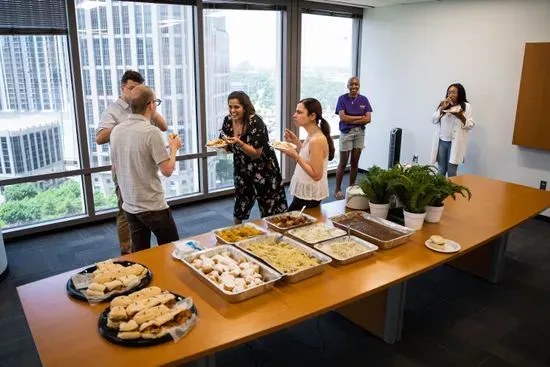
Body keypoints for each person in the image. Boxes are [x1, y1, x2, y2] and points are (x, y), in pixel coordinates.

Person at [95, 70, 168, 255]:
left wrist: (150, 109)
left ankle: (140, 253)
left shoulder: (145, 108)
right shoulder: (113, 111)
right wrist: (126, 127)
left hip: (144, 169)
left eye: (139, 89)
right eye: (132, 88)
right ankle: (127, 252)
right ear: (123, 88)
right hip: (125, 172)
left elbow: (164, 126)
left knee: (141, 220)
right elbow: (99, 137)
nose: (136, 92)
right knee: (125, 213)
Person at [110, 85, 181, 252]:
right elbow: (167, 170)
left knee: (141, 255)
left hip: (129, 205)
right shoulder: (151, 132)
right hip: (152, 206)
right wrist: (174, 148)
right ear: (150, 105)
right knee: (172, 250)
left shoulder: (116, 131)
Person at [220, 91, 287, 224]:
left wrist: (239, 143)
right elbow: (225, 144)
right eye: (230, 107)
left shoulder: (256, 122)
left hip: (264, 170)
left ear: (245, 107)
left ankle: (274, 235)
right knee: (241, 203)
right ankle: (235, 234)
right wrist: (224, 145)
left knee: (269, 207)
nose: (233, 110)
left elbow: (256, 153)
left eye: (236, 107)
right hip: (242, 167)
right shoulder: (228, 121)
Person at [280, 98, 335, 211]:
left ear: (312, 116)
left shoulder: (317, 140)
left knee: (291, 222)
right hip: (306, 191)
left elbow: (316, 175)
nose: (295, 115)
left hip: (309, 194)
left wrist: (295, 156)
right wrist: (295, 141)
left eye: (299, 112)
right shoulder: (313, 134)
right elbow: (309, 155)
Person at [333, 77, 372, 200]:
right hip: (346, 132)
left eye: (356, 84)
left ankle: (351, 187)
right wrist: (360, 118)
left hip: (359, 133)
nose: (354, 86)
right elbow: (343, 118)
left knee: (355, 162)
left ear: (359, 85)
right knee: (343, 163)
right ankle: (337, 189)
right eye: (352, 84)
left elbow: (368, 119)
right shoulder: (342, 99)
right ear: (348, 85)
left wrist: (352, 119)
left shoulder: (364, 99)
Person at [430, 83, 475, 177]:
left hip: (455, 143)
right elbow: (433, 120)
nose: (450, 95)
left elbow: (470, 125)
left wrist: (460, 116)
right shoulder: (444, 105)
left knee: (451, 171)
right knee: (441, 170)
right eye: (449, 92)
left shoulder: (466, 106)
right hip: (442, 142)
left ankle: (451, 191)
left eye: (454, 92)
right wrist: (442, 108)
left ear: (460, 94)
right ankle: (439, 191)